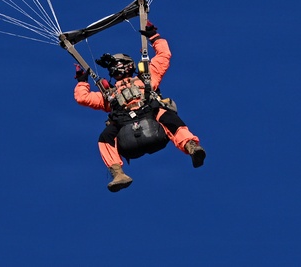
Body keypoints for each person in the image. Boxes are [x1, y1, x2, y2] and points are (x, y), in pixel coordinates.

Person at [73, 22, 205, 192]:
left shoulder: (147, 79)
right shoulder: (109, 95)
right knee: (105, 137)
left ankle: (192, 147)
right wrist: (83, 82)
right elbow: (83, 98)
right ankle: (118, 173)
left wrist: (154, 37)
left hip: (150, 116)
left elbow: (164, 55)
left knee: (168, 117)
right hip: (125, 126)